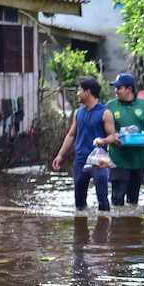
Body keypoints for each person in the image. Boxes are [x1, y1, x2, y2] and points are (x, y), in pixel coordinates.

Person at [52, 75, 117, 212]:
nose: (77, 93)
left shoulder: (105, 113)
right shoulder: (78, 113)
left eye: (79, 90)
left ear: (88, 92)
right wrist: (60, 155)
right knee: (79, 203)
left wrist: (104, 141)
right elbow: (71, 135)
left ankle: (104, 223)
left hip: (99, 162)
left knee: (102, 199)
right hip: (80, 160)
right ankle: (81, 224)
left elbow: (113, 136)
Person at [106, 72, 144, 206]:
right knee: (117, 196)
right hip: (118, 158)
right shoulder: (110, 106)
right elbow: (102, 126)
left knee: (133, 199)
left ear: (129, 89)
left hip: (139, 159)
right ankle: (117, 219)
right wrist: (113, 136)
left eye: (119, 88)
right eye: (115, 88)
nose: (116, 91)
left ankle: (132, 219)